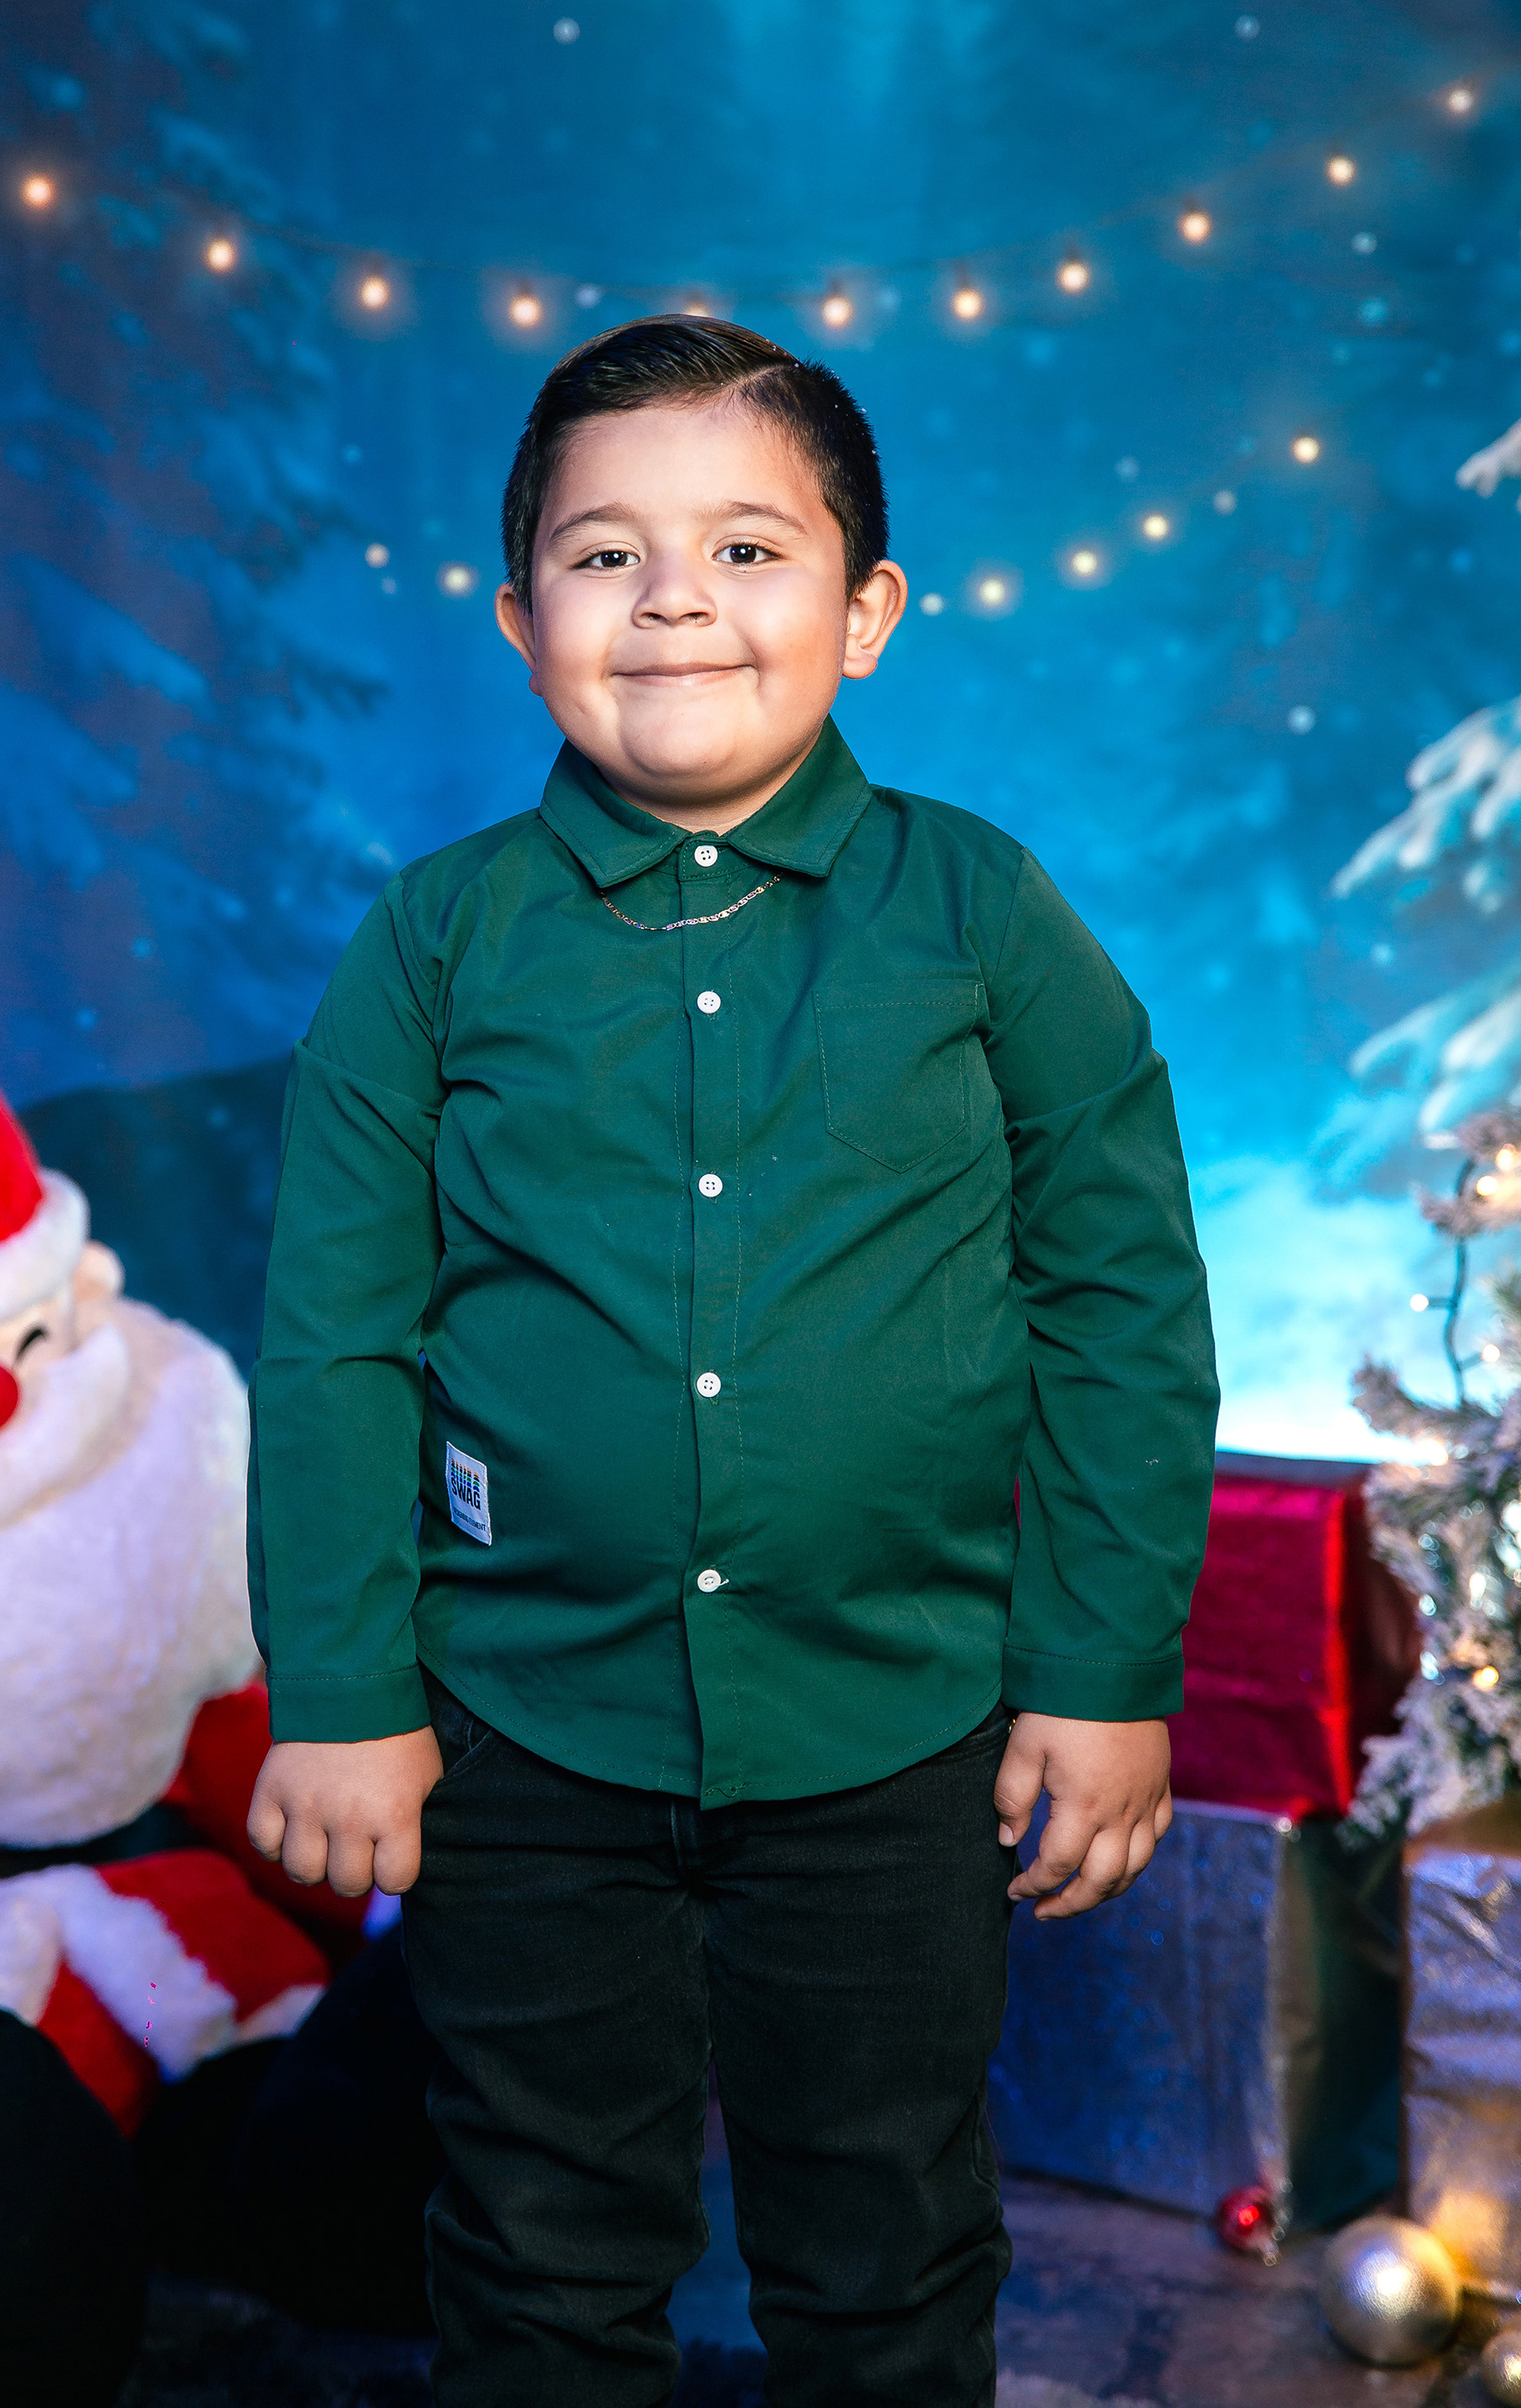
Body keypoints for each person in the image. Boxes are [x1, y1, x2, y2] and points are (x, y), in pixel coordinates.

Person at [245, 314, 1218, 2407]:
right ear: (520, 622)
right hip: (526, 1737)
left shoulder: (980, 913)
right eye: (605, 555)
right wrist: (342, 1698)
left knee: (883, 2253)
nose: (674, 597)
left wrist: (1100, 1668)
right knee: (538, 2251)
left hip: (892, 1731)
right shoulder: (432, 943)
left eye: (748, 550)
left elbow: (1123, 1299)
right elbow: (336, 1342)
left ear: (867, 613)